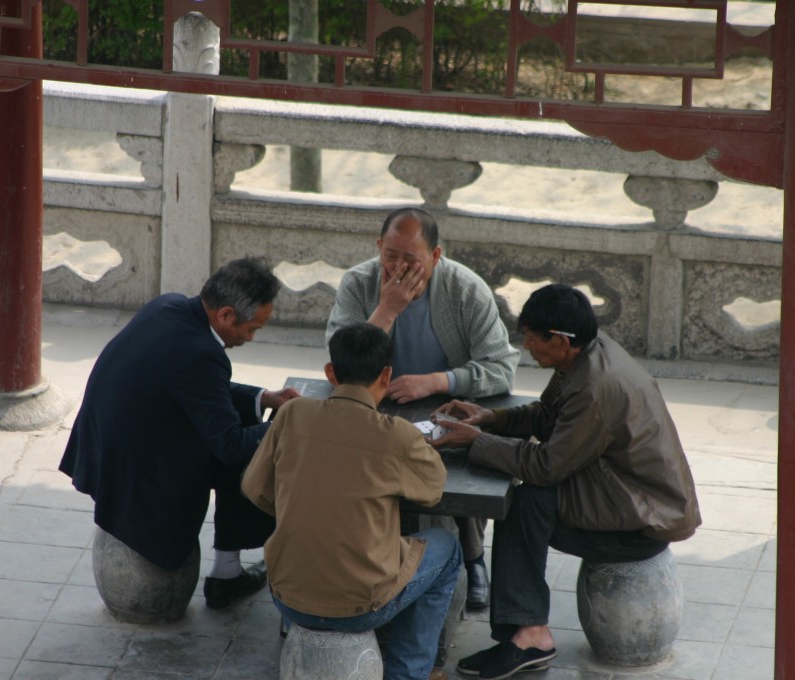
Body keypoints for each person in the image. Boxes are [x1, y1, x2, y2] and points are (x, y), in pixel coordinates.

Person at [431, 283, 702, 680]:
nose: (526, 347)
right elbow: (547, 416)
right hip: (618, 491)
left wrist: (477, 442)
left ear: (558, 340)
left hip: (639, 521)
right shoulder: (586, 355)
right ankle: (526, 630)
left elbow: (546, 465)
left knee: (525, 503)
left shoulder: (597, 387)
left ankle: (529, 635)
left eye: (531, 339)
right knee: (528, 497)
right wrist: (490, 418)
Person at [59, 257, 299, 610]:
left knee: (247, 429)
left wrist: (264, 398)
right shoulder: (203, 354)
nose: (251, 337)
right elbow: (230, 446)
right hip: (139, 476)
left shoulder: (167, 306)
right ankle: (227, 572)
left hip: (104, 454)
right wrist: (286, 424)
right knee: (254, 449)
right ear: (226, 315)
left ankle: (227, 573)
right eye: (252, 328)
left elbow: (193, 388)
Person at [242, 323, 462, 680]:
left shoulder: (292, 414)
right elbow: (433, 489)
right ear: (387, 375)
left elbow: (256, 489)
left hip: (286, 593)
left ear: (331, 372)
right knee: (448, 550)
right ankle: (408, 673)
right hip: (361, 606)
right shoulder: (398, 435)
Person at [326, 207, 519, 609]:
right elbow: (341, 363)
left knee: (464, 463)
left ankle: (473, 556)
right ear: (379, 247)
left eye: (411, 259)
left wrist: (438, 381)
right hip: (378, 409)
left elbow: (501, 368)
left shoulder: (466, 289)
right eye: (390, 255)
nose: (399, 267)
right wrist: (387, 309)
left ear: (435, 256)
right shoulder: (359, 283)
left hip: (443, 410)